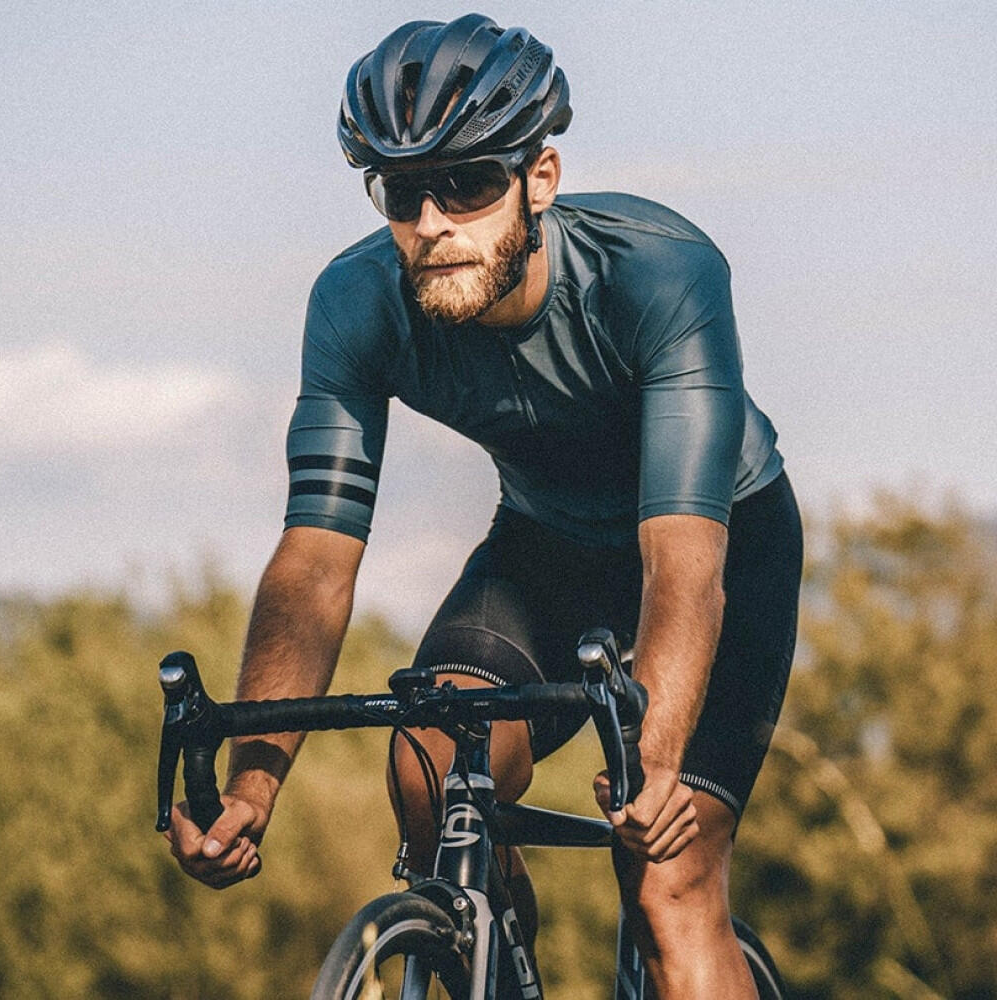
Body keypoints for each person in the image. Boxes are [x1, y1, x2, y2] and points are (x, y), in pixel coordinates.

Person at [164, 14, 803, 998]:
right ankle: (493, 952)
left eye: (466, 183)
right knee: (427, 770)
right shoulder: (356, 303)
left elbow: (682, 563)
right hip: (544, 545)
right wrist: (253, 782)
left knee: (667, 884)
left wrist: (656, 759)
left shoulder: (657, 274)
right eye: (400, 191)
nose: (431, 222)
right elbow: (313, 563)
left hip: (716, 550)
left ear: (538, 179)